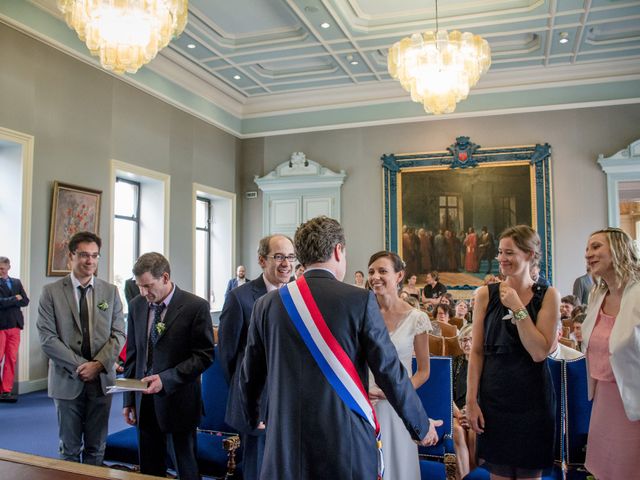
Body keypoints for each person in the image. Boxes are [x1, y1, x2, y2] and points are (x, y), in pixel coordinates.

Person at [239, 216, 439, 479]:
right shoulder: (359, 300)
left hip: (285, 444)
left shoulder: (267, 304)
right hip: (344, 444)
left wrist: (253, 417)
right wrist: (421, 426)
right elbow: (389, 371)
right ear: (337, 250)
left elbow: (250, 375)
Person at [466, 225, 559, 479]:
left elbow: (539, 351)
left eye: (509, 253)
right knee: (500, 474)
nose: (501, 259)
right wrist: (471, 402)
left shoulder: (549, 296)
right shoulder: (485, 295)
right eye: (500, 252)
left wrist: (517, 306)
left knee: (531, 474)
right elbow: (475, 352)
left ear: (529, 254)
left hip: (534, 400)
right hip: (495, 398)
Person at [122, 252, 214, 479]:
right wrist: (129, 400)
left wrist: (166, 379)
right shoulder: (137, 306)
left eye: (148, 286)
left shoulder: (195, 306)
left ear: (165, 277)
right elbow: (134, 356)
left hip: (179, 402)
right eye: (139, 286)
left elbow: (204, 356)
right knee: (149, 470)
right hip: (144, 403)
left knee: (186, 469)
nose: (144, 293)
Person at [37, 231, 125, 465]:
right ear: (71, 257)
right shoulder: (51, 292)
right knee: (69, 449)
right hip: (67, 380)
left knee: (97, 448)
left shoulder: (110, 291)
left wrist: (97, 365)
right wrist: (81, 367)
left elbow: (118, 333)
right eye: (84, 255)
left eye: (95, 256)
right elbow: (47, 338)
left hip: (102, 379)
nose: (90, 261)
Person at [218, 234, 295, 480]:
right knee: (257, 468)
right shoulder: (240, 298)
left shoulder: (299, 295)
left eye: (291, 257)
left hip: (291, 400)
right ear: (262, 260)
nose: (286, 263)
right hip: (255, 401)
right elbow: (228, 354)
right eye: (279, 256)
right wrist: (248, 391)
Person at [368, 250, 432, 479]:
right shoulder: (363, 314)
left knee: (399, 467)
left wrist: (394, 391)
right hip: (367, 401)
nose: (375, 276)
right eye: (372, 272)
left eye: (382, 271)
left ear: (399, 275)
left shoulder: (417, 318)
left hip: (399, 404)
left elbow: (423, 372)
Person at [582, 228, 640, 479]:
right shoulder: (598, 295)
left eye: (596, 247)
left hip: (634, 398)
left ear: (618, 248)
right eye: (587, 250)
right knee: (607, 470)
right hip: (604, 398)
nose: (588, 254)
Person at [0, 256, 29, 402]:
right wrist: (14, 299)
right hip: (1, 327)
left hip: (15, 325)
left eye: (2, 268)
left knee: (11, 359)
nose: (0, 271)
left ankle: (6, 390)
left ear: (8, 268)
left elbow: (25, 301)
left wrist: (14, 300)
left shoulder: (16, 282)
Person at [452, 324, 477, 480]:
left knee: (474, 430)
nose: (467, 344)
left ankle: (474, 474)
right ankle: (463, 475)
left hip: (477, 411)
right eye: (463, 340)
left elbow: (488, 393)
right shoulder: (454, 362)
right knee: (458, 430)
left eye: (471, 339)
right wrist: (458, 413)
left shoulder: (485, 362)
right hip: (456, 413)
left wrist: (471, 412)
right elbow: (446, 392)